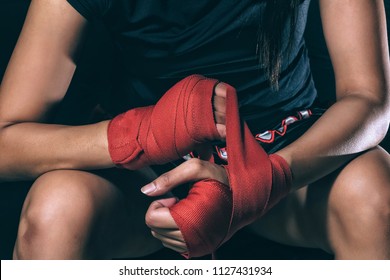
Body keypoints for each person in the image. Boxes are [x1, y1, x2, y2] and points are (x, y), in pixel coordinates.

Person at [0, 0, 389, 260]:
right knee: (55, 208)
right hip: (151, 179)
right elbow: (6, 142)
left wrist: (261, 182)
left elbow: (369, 99)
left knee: (376, 194)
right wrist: (144, 132)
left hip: (287, 160)